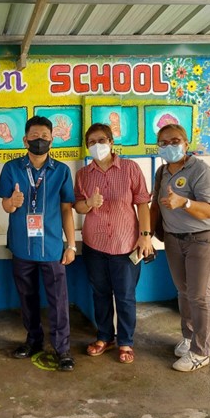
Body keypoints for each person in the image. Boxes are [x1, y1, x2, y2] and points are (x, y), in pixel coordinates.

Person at [0, 115, 77, 372]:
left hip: (52, 246)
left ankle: (62, 348)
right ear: (25, 139)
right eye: (34, 136)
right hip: (22, 246)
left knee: (58, 300)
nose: (39, 140)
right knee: (26, 297)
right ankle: (33, 340)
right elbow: (5, 204)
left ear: (52, 140)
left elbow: (66, 210)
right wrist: (13, 202)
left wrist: (71, 245)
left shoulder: (62, 171)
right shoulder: (12, 168)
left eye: (44, 137)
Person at [73, 123, 152, 364]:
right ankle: (104, 337)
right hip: (95, 245)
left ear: (111, 142)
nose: (97, 146)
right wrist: (90, 204)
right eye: (92, 142)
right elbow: (77, 205)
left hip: (125, 244)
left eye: (102, 140)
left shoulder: (130, 168)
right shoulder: (83, 175)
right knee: (100, 294)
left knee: (125, 296)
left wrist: (145, 235)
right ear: (87, 147)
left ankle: (126, 341)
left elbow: (142, 203)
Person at [150, 124, 210, 372]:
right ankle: (189, 337)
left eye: (175, 141)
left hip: (202, 239)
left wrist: (185, 202)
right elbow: (155, 207)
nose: (169, 146)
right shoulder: (161, 173)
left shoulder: (200, 171)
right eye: (164, 143)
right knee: (183, 291)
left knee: (200, 296)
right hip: (173, 240)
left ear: (186, 143)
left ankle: (201, 352)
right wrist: (146, 235)